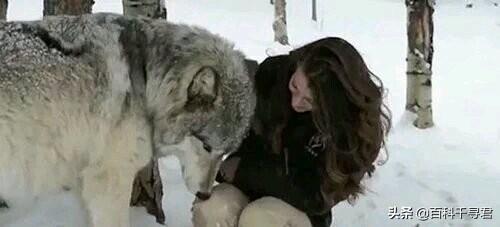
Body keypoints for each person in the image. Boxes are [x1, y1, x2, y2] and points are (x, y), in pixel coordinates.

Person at [192, 37, 391, 227]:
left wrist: (244, 170)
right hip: (246, 186)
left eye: (309, 101)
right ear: (298, 64)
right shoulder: (273, 75)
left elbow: (317, 197)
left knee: (259, 218)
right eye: (295, 87)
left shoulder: (353, 127)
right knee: (214, 207)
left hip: (296, 209)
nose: (296, 103)